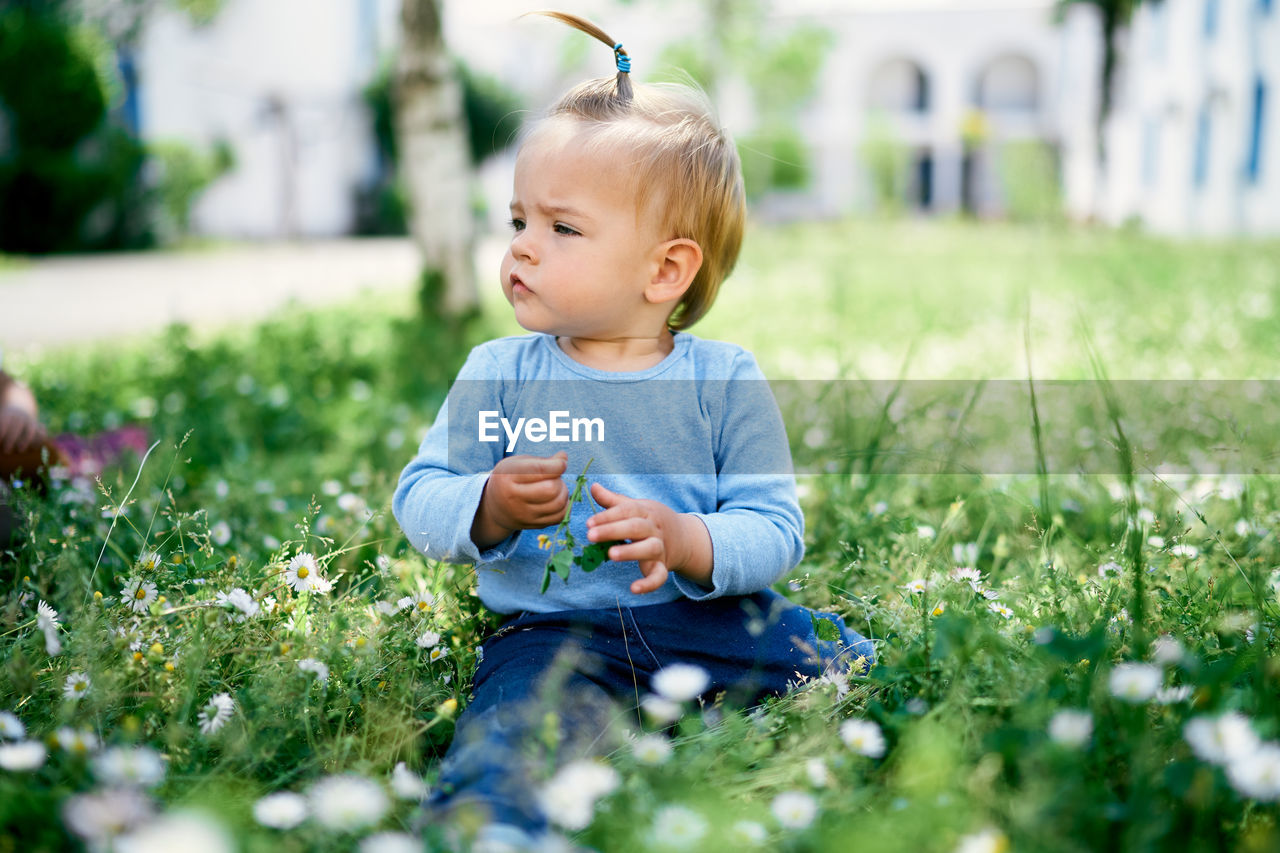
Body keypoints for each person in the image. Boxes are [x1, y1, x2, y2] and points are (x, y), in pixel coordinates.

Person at [393, 12, 873, 848]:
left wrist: (689, 539)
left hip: (710, 619)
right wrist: (488, 506)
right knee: (514, 729)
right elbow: (420, 495)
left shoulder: (723, 380)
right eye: (518, 222)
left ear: (666, 269)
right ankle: (493, 825)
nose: (523, 250)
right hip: (552, 634)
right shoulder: (499, 370)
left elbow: (774, 528)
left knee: (841, 662)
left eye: (562, 227)